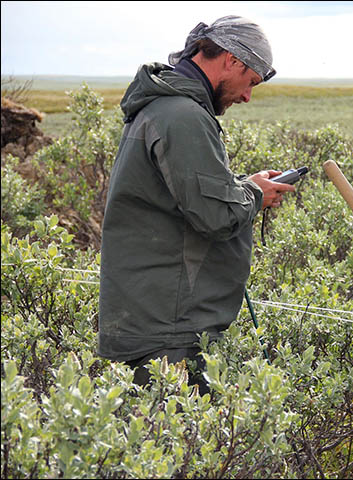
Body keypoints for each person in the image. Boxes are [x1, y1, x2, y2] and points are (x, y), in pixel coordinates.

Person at [98, 15, 295, 395]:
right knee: (175, 447)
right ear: (232, 61)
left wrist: (242, 186)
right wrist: (255, 195)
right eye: (250, 81)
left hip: (155, 314)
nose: (247, 96)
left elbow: (177, 202)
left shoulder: (164, 107)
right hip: (169, 325)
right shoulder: (182, 115)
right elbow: (215, 217)